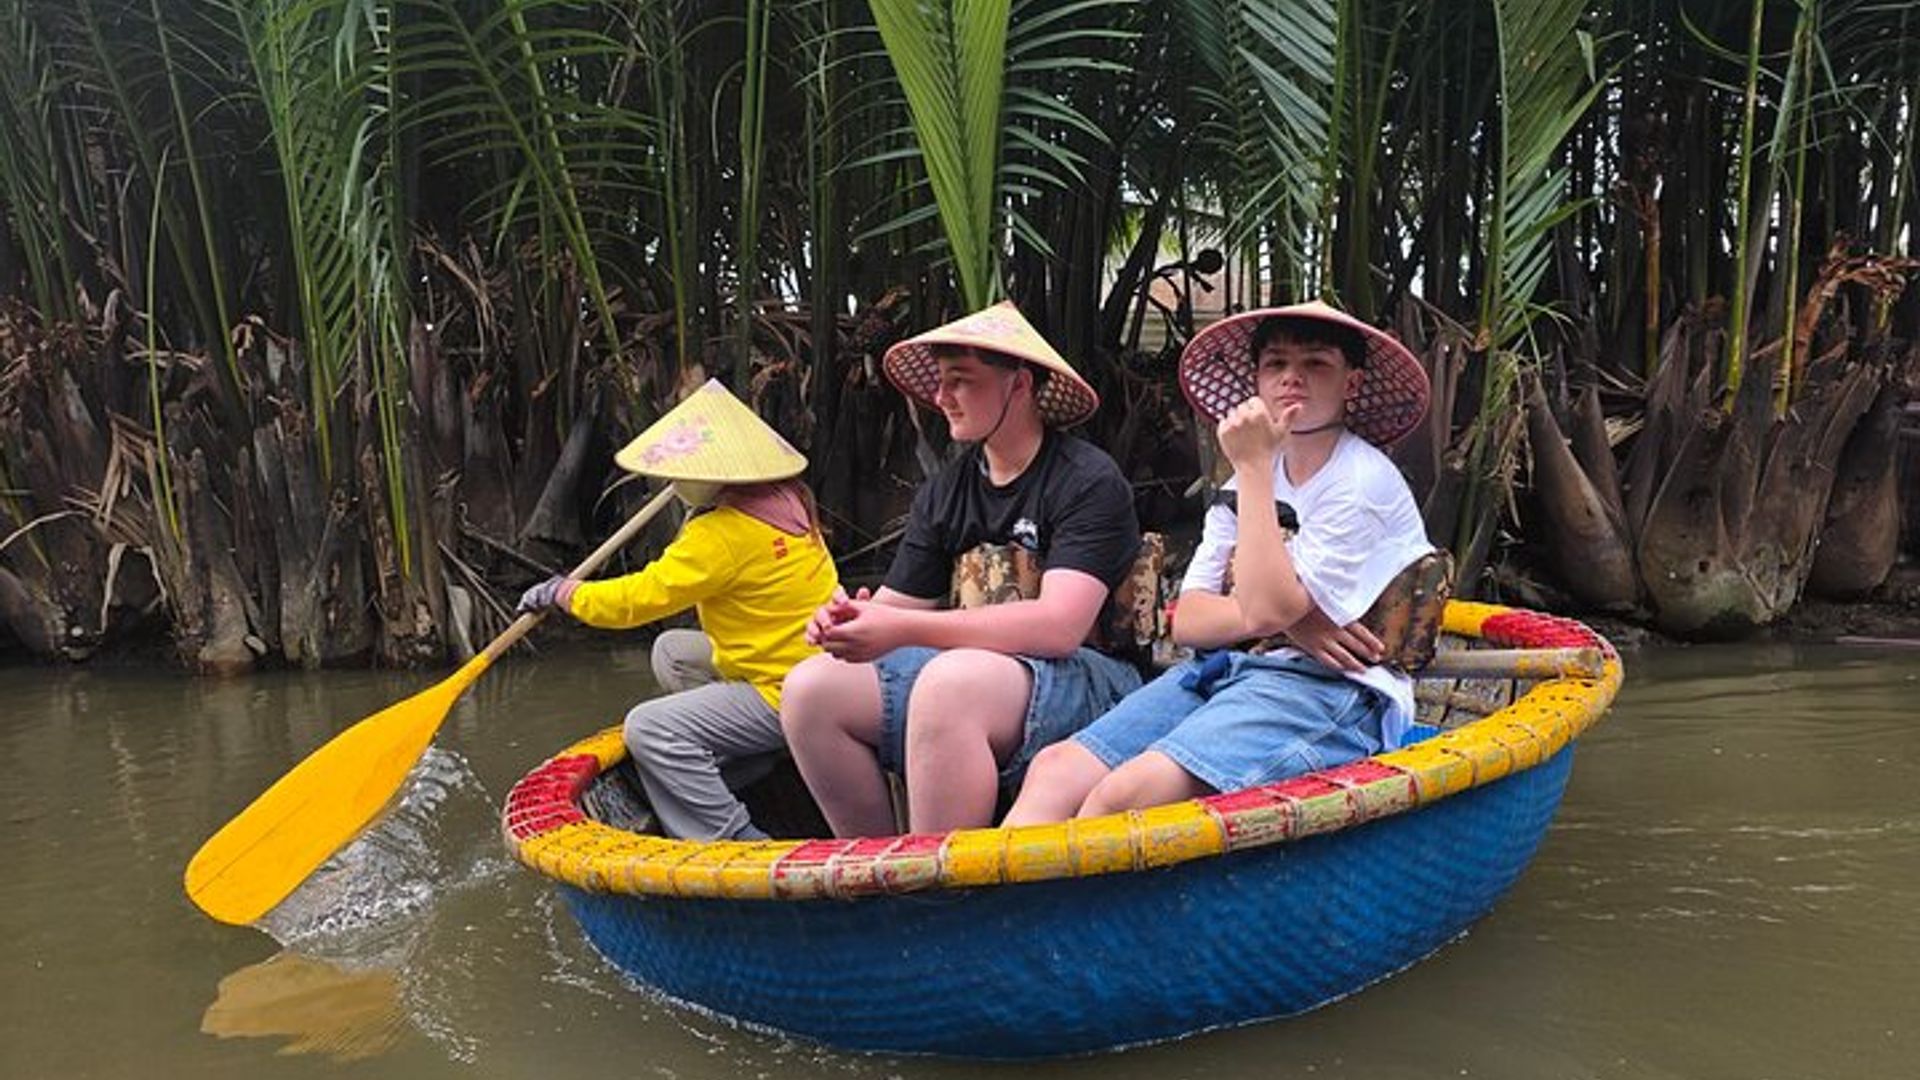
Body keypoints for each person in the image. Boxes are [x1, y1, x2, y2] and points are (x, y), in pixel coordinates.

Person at [1003, 300, 1433, 825]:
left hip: (1335, 692)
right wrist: (1296, 624)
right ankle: (997, 905)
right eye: (1275, 364)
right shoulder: (1244, 483)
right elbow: (1190, 622)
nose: (1292, 378)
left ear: (1353, 382)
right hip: (1238, 668)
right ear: (1256, 378)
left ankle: (1065, 906)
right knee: (1055, 769)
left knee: (1123, 797)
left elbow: (1267, 609)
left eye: (1316, 364)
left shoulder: (1359, 482)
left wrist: (1252, 468)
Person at [779, 301, 1143, 837]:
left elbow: (1061, 628)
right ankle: (875, 874)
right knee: (811, 689)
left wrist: (901, 630)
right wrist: (850, 621)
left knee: (949, 684)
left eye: (961, 381)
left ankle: (941, 892)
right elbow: (899, 606)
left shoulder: (1086, 479)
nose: (942, 398)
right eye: (941, 382)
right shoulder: (947, 490)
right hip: (980, 675)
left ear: (1019, 386)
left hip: (1095, 681)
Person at [517, 379, 838, 841]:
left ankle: (735, 839)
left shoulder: (722, 534)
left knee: (647, 729)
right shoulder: (789, 498)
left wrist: (566, 594)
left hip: (784, 691)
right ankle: (753, 758)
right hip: (814, 668)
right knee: (674, 651)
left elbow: (640, 599)